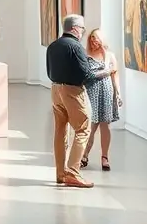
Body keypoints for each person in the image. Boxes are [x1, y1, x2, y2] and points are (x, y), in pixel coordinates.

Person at [46, 15, 115, 189]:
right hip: (72, 91)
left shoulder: (53, 46)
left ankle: (60, 173)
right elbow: (87, 76)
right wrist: (105, 72)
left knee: (60, 130)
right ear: (76, 28)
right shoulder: (76, 47)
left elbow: (49, 72)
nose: (83, 33)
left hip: (55, 90)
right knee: (83, 129)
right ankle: (73, 172)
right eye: (82, 29)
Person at [81, 29, 122, 172]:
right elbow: (88, 76)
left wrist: (118, 93)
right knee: (91, 126)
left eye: (96, 38)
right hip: (92, 93)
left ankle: (105, 157)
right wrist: (106, 71)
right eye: (91, 38)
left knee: (105, 125)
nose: (93, 41)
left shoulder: (110, 56)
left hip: (107, 92)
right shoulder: (85, 56)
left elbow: (115, 75)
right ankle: (84, 155)